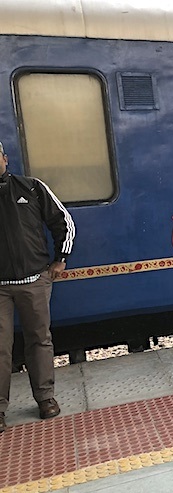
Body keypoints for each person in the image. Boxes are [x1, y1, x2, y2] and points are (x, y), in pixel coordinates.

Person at [0, 140, 76, 432]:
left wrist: (61, 258)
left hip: (34, 281)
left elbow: (64, 223)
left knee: (39, 340)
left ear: (5, 158)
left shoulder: (31, 187)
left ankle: (45, 398)